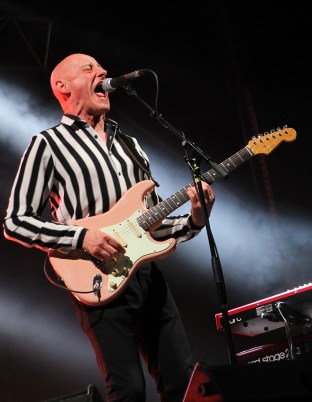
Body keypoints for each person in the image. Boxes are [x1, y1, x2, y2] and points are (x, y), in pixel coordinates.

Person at [3, 53, 215, 401]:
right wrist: (82, 237)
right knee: (128, 390)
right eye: (89, 69)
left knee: (183, 382)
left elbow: (152, 226)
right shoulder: (48, 144)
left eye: (101, 68)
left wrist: (195, 219)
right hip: (96, 280)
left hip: (146, 276)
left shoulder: (132, 146)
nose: (102, 72)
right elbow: (16, 221)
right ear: (63, 87)